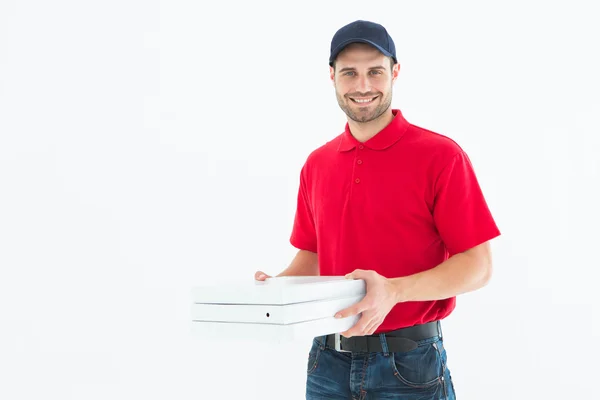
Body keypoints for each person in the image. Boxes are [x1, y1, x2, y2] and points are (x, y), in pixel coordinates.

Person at [255, 19, 500, 399]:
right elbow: (317, 255)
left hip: (409, 364)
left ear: (395, 73)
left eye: (375, 72)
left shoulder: (440, 157)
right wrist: (276, 288)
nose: (363, 86)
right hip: (327, 360)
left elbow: (478, 265)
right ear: (332, 76)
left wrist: (394, 292)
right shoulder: (317, 164)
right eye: (350, 72)